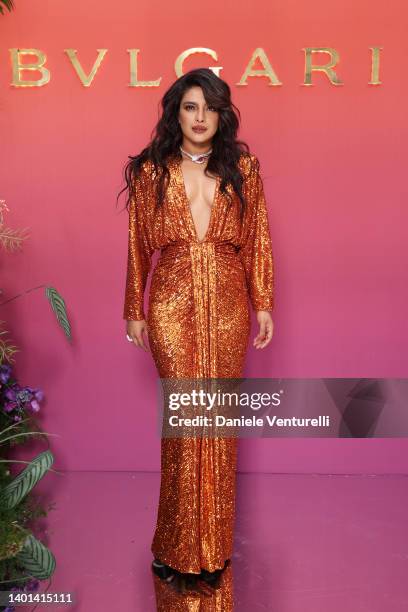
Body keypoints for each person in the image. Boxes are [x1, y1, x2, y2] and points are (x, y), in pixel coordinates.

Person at [120, 67, 275, 591]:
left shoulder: (244, 168)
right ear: (176, 113)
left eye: (209, 106)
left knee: (218, 427)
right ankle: (175, 545)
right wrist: (134, 309)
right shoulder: (151, 173)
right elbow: (139, 244)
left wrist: (264, 304)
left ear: (221, 113)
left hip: (230, 301)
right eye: (190, 106)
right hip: (171, 300)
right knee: (186, 424)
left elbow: (257, 239)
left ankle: (212, 548)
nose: (200, 116)